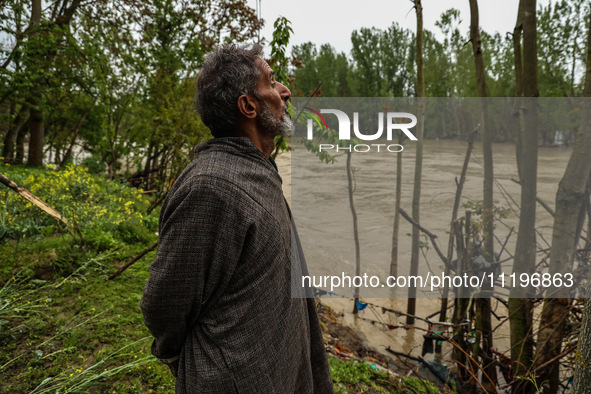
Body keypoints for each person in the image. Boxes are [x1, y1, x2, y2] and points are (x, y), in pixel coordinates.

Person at [140, 44, 334, 393]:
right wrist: (193, 363)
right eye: (272, 82)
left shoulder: (254, 170)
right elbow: (163, 308)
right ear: (249, 106)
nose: (285, 91)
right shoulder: (211, 188)